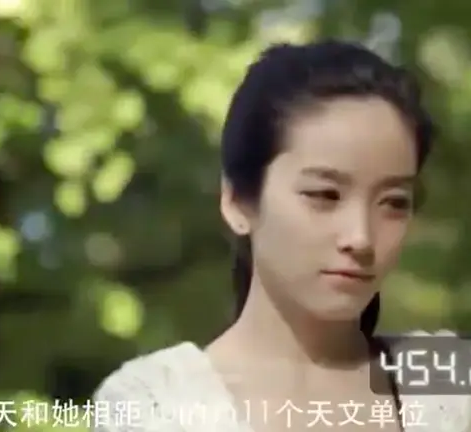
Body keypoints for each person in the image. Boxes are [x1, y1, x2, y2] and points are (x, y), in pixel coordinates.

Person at [93, 40, 471, 431]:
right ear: (238, 201)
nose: (361, 237)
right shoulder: (157, 405)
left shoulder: (448, 385)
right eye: (324, 195)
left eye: (393, 202)